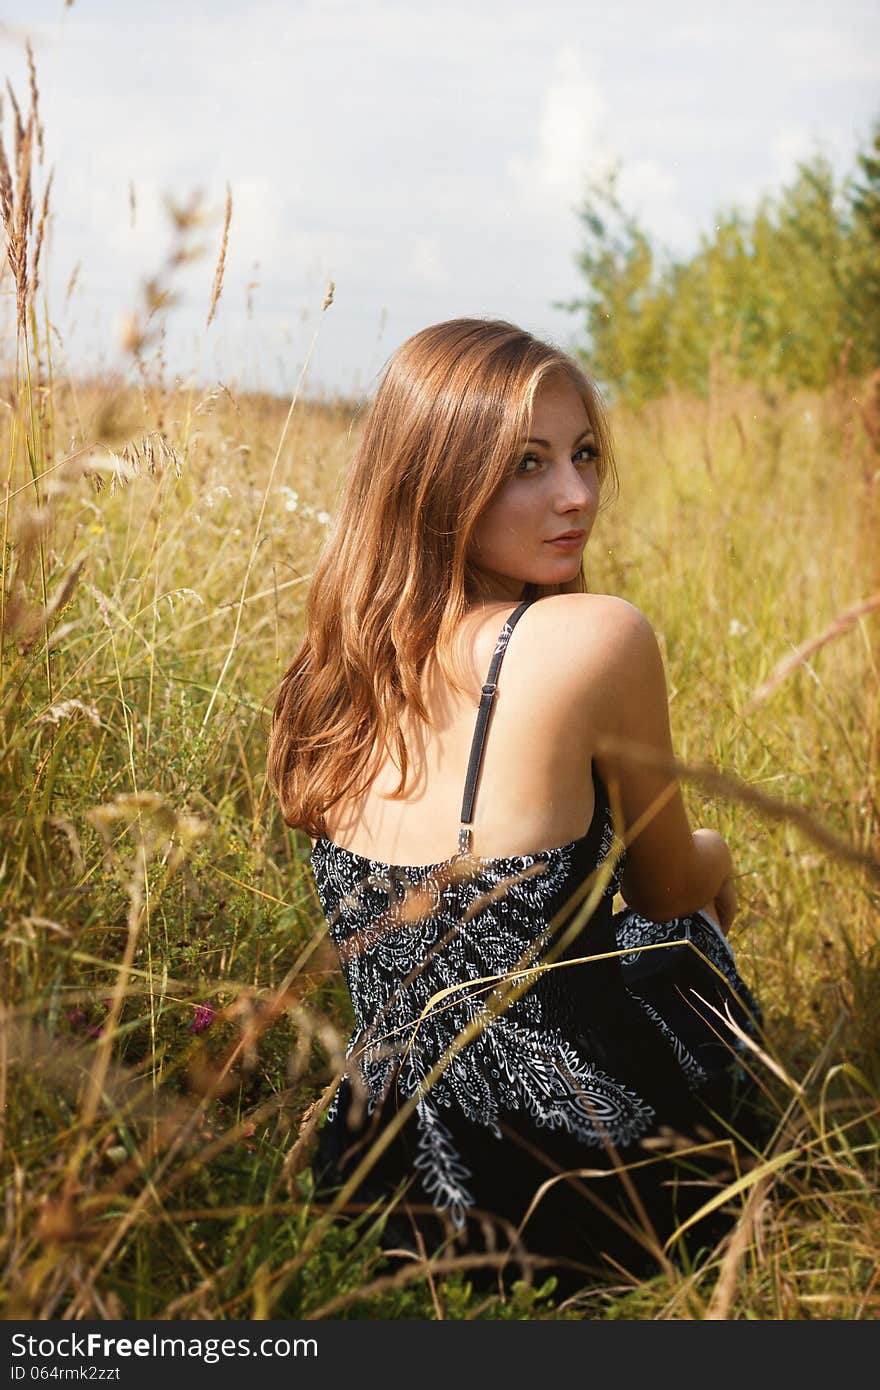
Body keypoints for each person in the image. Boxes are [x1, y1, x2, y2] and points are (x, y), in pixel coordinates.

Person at [267, 318, 765, 1300]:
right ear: (436, 478)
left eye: (583, 455)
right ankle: (734, 1172)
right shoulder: (596, 634)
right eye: (525, 463)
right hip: (582, 1195)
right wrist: (719, 858)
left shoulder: (324, 674)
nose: (576, 494)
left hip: (374, 1189)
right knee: (687, 931)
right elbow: (667, 887)